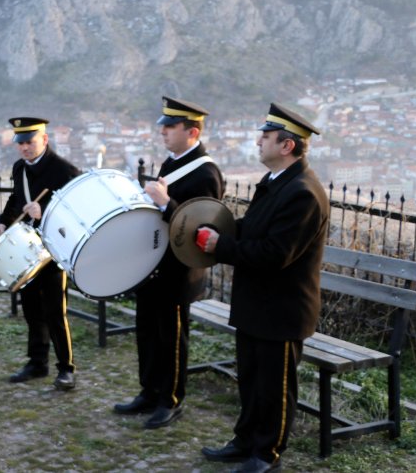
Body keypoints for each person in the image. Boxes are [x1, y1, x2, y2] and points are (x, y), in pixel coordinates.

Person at [198, 103, 329, 473]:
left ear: (286, 146)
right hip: (258, 304)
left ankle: (266, 454)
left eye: (266, 137)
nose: (259, 142)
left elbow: (276, 254)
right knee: (251, 379)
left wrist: (219, 247)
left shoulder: (302, 192)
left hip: (282, 309)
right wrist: (219, 229)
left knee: (274, 387)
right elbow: (254, 227)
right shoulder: (277, 183)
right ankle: (245, 441)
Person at [114, 97, 224, 428]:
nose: (162, 130)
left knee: (172, 338)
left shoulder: (206, 172)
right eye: (163, 124)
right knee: (147, 331)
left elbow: (203, 228)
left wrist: (165, 203)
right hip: (153, 265)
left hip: (179, 271)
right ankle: (149, 391)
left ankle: (171, 399)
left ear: (192, 132)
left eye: (170, 126)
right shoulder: (171, 162)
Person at [0, 117, 80, 389]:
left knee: (55, 311)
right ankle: (37, 362)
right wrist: (3, 221)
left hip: (53, 250)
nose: (24, 147)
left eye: (29, 141)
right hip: (26, 248)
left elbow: (75, 215)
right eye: (20, 142)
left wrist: (43, 215)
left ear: (44, 139)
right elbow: (15, 198)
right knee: (30, 308)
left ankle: (66, 368)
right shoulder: (19, 168)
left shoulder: (65, 170)